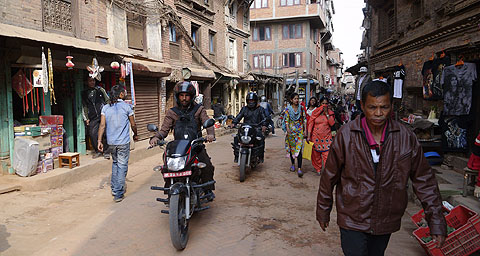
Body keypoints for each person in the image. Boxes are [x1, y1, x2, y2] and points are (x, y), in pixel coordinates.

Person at [316, 81, 446, 255]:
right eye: (372, 107)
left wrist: (436, 221)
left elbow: (425, 180)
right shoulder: (345, 136)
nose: (378, 113)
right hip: (352, 217)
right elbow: (329, 176)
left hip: (386, 218)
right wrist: (323, 210)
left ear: (391, 106)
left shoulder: (405, 137)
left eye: (384, 107)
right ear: (362, 106)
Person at [149, 81, 216, 194]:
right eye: (181, 95)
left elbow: (207, 122)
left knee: (207, 166)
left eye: (187, 95)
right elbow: (164, 130)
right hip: (178, 148)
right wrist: (156, 137)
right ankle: (170, 187)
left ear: (191, 96)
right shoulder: (172, 112)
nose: (184, 98)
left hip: (195, 146)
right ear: (177, 96)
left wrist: (210, 134)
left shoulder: (199, 109)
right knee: (166, 166)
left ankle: (208, 189)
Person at [97, 85, 138, 202]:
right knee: (122, 165)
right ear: (120, 94)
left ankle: (115, 188)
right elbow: (133, 124)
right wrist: (136, 134)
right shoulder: (127, 107)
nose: (125, 94)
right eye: (124, 92)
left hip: (111, 142)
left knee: (115, 163)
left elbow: (102, 125)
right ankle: (118, 193)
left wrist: (99, 141)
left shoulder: (105, 108)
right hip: (123, 142)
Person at [230, 92, 267, 163]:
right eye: (249, 100)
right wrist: (234, 123)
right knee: (236, 138)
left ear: (255, 101)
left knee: (261, 138)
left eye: (252, 100)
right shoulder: (244, 109)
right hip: (245, 128)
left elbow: (264, 118)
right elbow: (239, 116)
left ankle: (261, 156)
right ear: (247, 101)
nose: (251, 102)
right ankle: (237, 156)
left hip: (256, 128)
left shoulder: (260, 109)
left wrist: (264, 125)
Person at [82, 77, 110, 159]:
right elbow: (85, 106)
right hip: (92, 116)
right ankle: (98, 151)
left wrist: (108, 112)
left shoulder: (100, 90)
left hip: (102, 115)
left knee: (105, 133)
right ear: (87, 82)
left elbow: (107, 100)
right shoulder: (84, 93)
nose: (92, 82)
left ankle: (106, 151)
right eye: (90, 81)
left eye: (93, 80)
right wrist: (86, 118)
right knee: (93, 134)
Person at [308, 97, 335, 175]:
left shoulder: (330, 113)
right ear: (320, 104)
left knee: (327, 155)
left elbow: (332, 123)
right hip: (316, 137)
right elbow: (310, 123)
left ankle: (327, 170)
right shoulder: (315, 112)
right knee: (316, 155)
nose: (324, 105)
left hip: (327, 137)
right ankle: (318, 169)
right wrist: (309, 135)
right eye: (323, 103)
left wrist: (327, 114)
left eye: (326, 103)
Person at [284, 93, 306, 178]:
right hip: (291, 131)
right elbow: (286, 120)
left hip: (299, 131)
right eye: (295, 99)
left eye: (298, 98)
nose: (297, 100)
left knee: (299, 150)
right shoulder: (288, 109)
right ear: (291, 100)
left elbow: (304, 119)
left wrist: (305, 130)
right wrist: (287, 129)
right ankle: (293, 164)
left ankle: (299, 168)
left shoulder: (301, 108)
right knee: (292, 149)